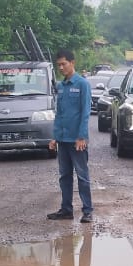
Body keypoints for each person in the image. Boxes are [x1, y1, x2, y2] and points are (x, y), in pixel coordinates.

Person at [48, 50, 94, 223]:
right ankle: (66, 209)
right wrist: (55, 137)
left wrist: (82, 136)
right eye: (58, 65)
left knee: (82, 176)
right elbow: (59, 114)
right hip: (63, 140)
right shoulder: (61, 86)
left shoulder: (82, 84)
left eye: (63, 64)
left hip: (77, 140)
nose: (61, 67)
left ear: (72, 63)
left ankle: (87, 210)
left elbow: (85, 112)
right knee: (64, 176)